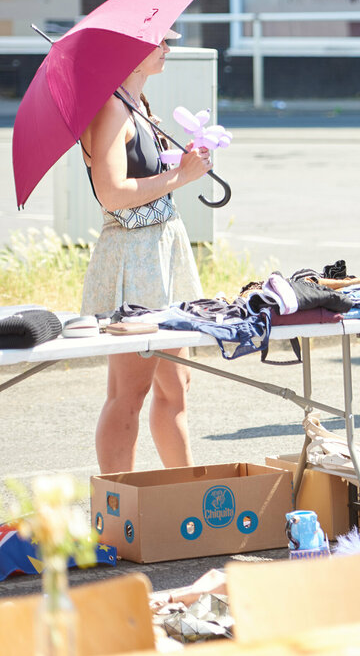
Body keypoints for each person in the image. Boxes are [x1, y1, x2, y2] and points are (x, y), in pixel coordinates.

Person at [81, 30, 213, 473]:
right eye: (160, 41)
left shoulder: (135, 104)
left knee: (176, 386)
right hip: (133, 260)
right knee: (128, 392)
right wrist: (181, 178)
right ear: (133, 54)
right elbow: (112, 192)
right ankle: (120, 505)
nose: (168, 49)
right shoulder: (111, 108)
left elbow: (142, 177)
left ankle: (185, 492)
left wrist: (182, 163)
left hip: (160, 251)